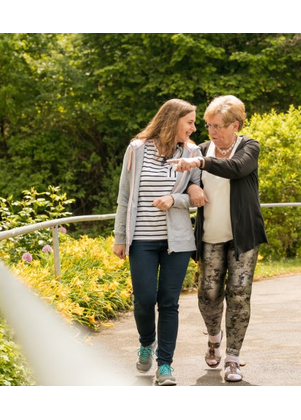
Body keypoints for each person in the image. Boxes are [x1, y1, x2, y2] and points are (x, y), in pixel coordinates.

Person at [168, 95, 268, 382]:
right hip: (210, 236)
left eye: (217, 126)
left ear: (234, 125)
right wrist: (190, 191)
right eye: (208, 125)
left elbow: (237, 168)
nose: (211, 131)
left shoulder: (248, 147)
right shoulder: (199, 150)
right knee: (208, 293)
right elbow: (183, 182)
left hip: (243, 237)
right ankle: (214, 338)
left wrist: (200, 162)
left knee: (238, 294)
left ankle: (233, 358)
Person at [113, 98, 203, 386]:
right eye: (189, 121)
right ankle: (145, 343)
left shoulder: (192, 152)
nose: (193, 127)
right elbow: (125, 196)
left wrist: (175, 198)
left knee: (168, 302)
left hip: (177, 241)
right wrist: (120, 238)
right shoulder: (137, 149)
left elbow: (198, 195)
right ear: (172, 120)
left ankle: (165, 365)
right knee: (144, 299)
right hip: (141, 239)